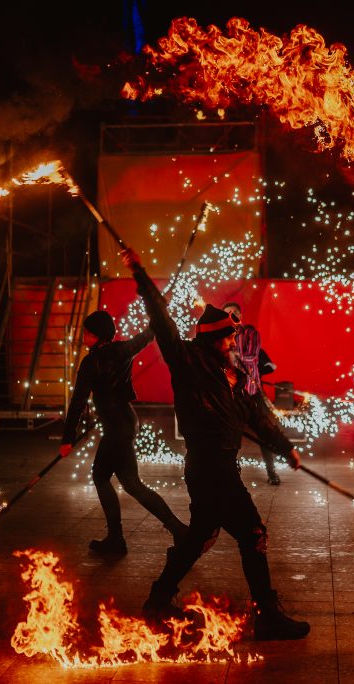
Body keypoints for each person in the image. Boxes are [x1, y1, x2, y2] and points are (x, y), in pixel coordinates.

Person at [121, 248, 311, 641]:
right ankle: (268, 616)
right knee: (253, 533)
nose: (234, 341)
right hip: (210, 467)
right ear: (215, 339)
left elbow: (258, 415)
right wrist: (139, 272)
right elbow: (162, 321)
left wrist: (284, 446)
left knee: (198, 538)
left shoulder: (235, 374)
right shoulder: (188, 361)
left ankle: (157, 600)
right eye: (229, 336)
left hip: (220, 466)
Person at [60, 310, 188, 555]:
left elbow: (77, 402)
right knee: (129, 483)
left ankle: (120, 539)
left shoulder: (90, 363)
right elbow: (148, 335)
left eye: (87, 333)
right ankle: (174, 531)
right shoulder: (123, 350)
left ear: (97, 336)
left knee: (106, 478)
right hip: (126, 422)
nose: (84, 336)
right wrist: (157, 315)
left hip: (116, 429)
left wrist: (67, 439)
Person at [222, 301, 283, 485]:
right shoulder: (220, 337)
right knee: (230, 435)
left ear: (240, 316)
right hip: (232, 393)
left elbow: (252, 357)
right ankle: (229, 473)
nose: (231, 316)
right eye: (227, 314)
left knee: (264, 432)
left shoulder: (250, 333)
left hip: (252, 391)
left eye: (234, 313)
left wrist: (233, 356)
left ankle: (272, 472)